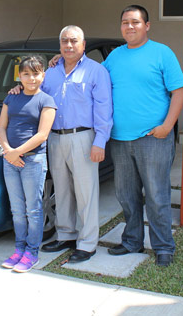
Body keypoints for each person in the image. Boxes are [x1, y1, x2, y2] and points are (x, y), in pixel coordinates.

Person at [102, 5, 183, 267]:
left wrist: (167, 126)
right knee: (126, 195)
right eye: (125, 22)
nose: (130, 26)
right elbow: (90, 77)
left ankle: (163, 247)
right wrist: (61, 62)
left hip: (153, 138)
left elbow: (180, 91)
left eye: (135, 22)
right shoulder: (115, 56)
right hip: (120, 139)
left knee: (157, 195)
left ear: (147, 26)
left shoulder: (162, 53)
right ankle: (132, 241)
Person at [39, 25, 113, 263]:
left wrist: (100, 141)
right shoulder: (51, 71)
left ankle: (88, 243)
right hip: (54, 137)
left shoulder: (96, 71)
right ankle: (66, 235)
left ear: (83, 44)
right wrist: (18, 88)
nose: (69, 45)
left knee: (86, 192)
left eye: (74, 41)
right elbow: (36, 96)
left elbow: (104, 109)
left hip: (83, 137)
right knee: (61, 190)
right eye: (64, 41)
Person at [0, 56, 57, 273]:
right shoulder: (11, 98)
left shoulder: (46, 101)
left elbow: (42, 135)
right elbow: (1, 127)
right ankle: (19, 249)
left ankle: (32, 252)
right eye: (26, 74)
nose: (31, 78)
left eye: (36, 74)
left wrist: (17, 152)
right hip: (10, 160)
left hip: (33, 161)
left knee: (33, 209)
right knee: (17, 209)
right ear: (19, 76)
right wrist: (8, 151)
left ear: (43, 75)